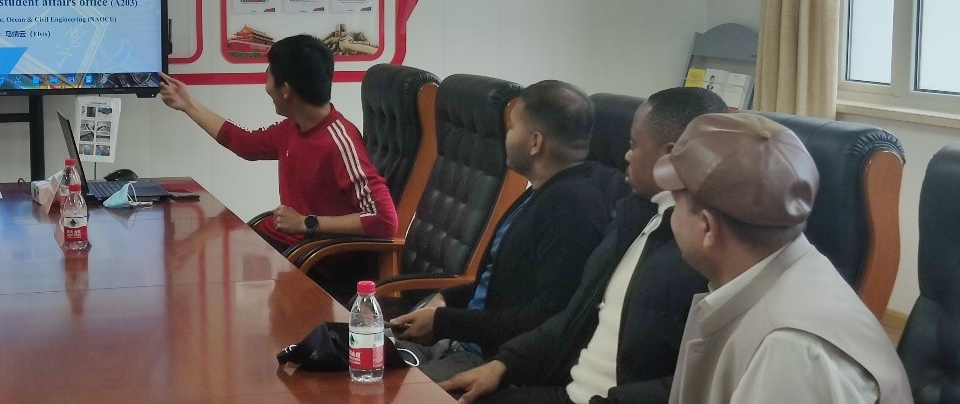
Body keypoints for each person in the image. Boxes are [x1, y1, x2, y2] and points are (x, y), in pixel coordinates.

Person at [438, 87, 726, 404]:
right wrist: (504, 364)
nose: (626, 156)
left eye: (633, 146)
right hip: (568, 391)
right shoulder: (634, 220)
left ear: (671, 157)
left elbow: (699, 383)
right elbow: (573, 317)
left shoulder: (704, 253)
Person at [657, 113, 911, 403]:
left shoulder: (792, 354)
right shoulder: (788, 274)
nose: (672, 216)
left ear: (706, 227)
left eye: (675, 204)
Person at [388, 81, 627, 382]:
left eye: (513, 127)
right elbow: (499, 286)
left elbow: (544, 319)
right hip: (461, 337)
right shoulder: (545, 189)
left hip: (489, 361)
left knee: (373, 391)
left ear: (535, 142)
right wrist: (445, 299)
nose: (507, 136)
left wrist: (445, 322)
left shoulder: (572, 209)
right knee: (356, 350)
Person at [158, 34, 397, 252]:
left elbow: (385, 220)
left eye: (268, 76)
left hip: (315, 258)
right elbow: (245, 143)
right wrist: (188, 104)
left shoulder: (340, 143)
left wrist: (307, 223)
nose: (266, 87)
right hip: (286, 243)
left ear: (285, 90)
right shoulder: (294, 127)